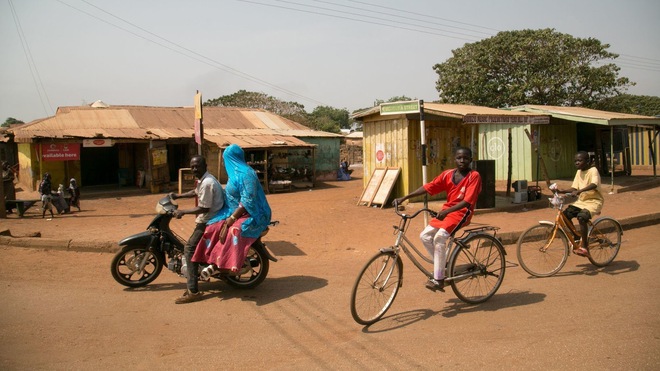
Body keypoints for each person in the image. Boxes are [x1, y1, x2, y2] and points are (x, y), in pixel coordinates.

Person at [393, 147, 482, 292]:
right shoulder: (447, 174)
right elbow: (429, 187)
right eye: (459, 158)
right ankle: (441, 266)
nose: (462, 161)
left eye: (466, 158)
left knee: (439, 238)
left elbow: (467, 201)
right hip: (447, 212)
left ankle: (439, 279)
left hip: (462, 213)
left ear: (471, 160)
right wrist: (405, 197)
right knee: (425, 236)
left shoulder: (474, 176)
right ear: (455, 159)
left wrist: (446, 211)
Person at [193, 144, 272, 278]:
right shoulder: (234, 173)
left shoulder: (247, 174)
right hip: (235, 211)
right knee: (212, 228)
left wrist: (232, 219)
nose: (224, 163)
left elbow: (248, 200)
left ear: (233, 158)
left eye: (226, 159)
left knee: (233, 231)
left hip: (253, 213)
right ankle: (208, 260)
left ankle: (221, 265)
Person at [169, 156, 225, 304]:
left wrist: (183, 212)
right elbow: (195, 192)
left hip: (208, 221)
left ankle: (193, 291)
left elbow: (204, 208)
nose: (194, 169)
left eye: (197, 166)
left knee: (189, 249)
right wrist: (178, 195)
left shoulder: (207, 183)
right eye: (192, 166)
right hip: (209, 218)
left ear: (205, 166)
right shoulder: (204, 180)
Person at [556, 151, 604, 257]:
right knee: (566, 215)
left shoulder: (593, 170)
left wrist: (579, 191)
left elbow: (594, 184)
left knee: (581, 217)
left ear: (587, 161)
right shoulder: (579, 172)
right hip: (582, 202)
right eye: (575, 161)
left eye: (579, 160)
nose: (577, 163)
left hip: (594, 201)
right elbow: (574, 188)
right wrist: (562, 191)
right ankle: (577, 237)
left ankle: (585, 247)